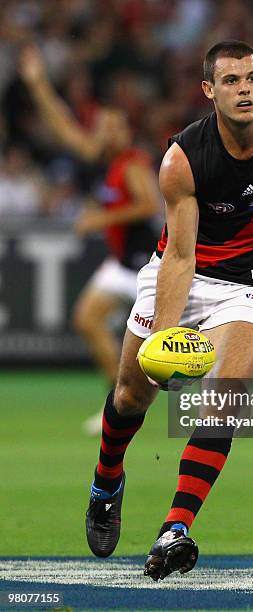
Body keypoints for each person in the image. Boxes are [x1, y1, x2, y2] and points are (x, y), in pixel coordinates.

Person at [82, 40, 253, 580]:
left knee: (226, 400)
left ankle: (175, 528)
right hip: (181, 273)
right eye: (230, 81)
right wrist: (166, 334)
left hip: (246, 286)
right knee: (130, 395)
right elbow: (180, 256)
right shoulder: (182, 159)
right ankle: (107, 480)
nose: (244, 90)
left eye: (251, 79)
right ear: (210, 91)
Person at [19, 46, 161, 434]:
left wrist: (101, 216)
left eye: (116, 126)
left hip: (148, 266)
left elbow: (149, 204)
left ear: (126, 131)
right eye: (104, 126)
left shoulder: (131, 162)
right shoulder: (104, 158)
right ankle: (117, 399)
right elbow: (63, 126)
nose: (109, 132)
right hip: (121, 264)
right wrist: (38, 85)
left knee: (188, 340)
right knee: (87, 320)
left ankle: (137, 398)